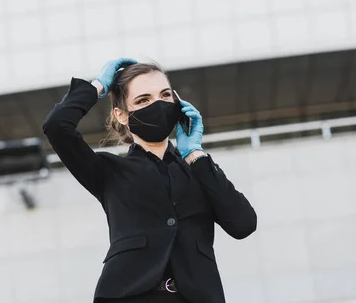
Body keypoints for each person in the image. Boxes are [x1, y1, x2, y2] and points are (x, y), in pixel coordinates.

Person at [43, 58, 257, 303]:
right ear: (122, 115)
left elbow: (244, 224)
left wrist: (195, 154)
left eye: (165, 95)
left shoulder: (199, 170)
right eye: (143, 100)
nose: (157, 104)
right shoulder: (110, 171)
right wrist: (98, 86)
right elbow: (57, 126)